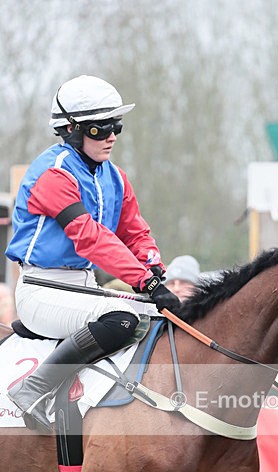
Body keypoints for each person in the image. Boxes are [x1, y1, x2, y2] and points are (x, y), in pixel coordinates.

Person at [5, 75, 182, 433]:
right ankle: (32, 389)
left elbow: (134, 230)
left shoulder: (115, 176)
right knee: (123, 320)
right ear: (70, 130)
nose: (112, 135)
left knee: (163, 318)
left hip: (83, 287)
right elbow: (88, 237)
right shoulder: (52, 176)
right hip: (43, 290)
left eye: (116, 125)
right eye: (100, 129)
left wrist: (154, 268)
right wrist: (143, 281)